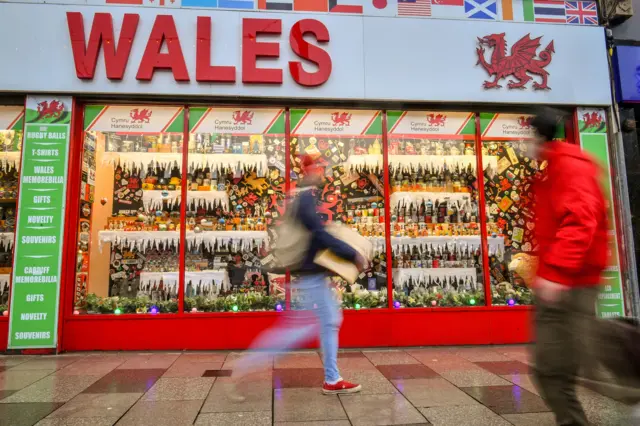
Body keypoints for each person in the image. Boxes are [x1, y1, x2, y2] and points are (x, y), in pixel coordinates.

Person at [230, 154, 367, 398]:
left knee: (327, 321)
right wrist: (351, 254)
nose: (323, 173)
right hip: (310, 276)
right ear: (311, 171)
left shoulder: (304, 198)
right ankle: (242, 369)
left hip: (311, 275)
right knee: (295, 330)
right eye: (320, 168)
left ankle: (332, 379)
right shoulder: (305, 200)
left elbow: (316, 234)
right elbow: (319, 235)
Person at [530, 107, 609, 426]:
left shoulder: (566, 166)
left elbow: (579, 221)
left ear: (540, 137)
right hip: (567, 282)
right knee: (559, 367)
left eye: (530, 137)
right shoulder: (558, 166)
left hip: (569, 284)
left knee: (553, 370)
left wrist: (556, 274)